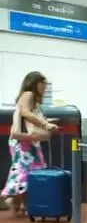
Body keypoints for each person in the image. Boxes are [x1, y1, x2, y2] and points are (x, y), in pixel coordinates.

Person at [2, 72, 58, 215]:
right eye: (43, 83)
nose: (45, 87)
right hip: (24, 141)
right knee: (27, 169)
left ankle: (20, 202)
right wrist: (46, 124)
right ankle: (18, 201)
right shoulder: (28, 94)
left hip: (27, 140)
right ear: (35, 83)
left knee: (29, 169)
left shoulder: (31, 98)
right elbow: (26, 113)